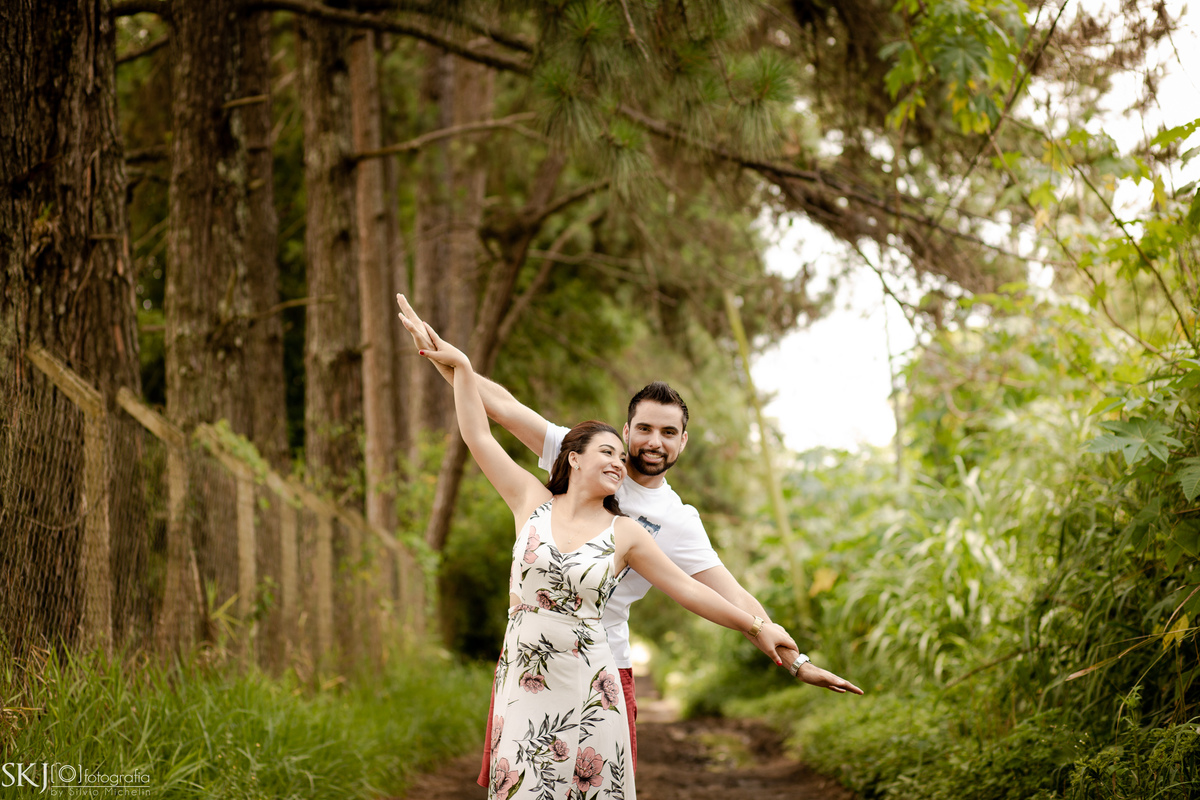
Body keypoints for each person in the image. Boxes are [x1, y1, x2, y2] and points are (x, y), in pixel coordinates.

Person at [396, 294, 862, 782]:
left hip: (605, 663)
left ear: (683, 440)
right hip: (532, 659)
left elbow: (721, 594)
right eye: (644, 429)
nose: (653, 442)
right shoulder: (582, 458)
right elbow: (499, 414)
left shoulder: (673, 521)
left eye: (668, 432)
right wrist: (448, 360)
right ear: (621, 433)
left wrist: (794, 660)